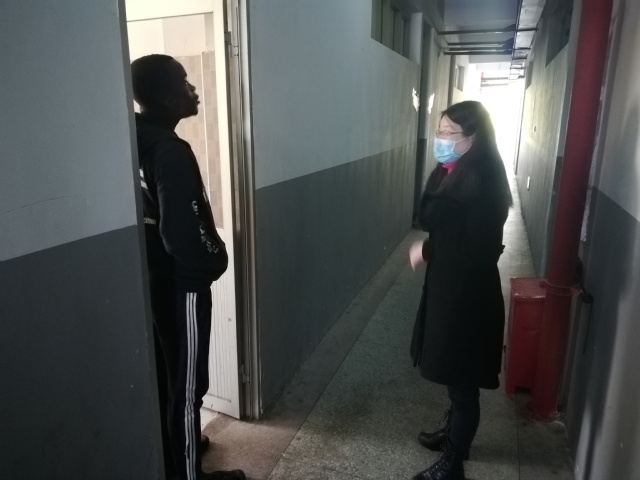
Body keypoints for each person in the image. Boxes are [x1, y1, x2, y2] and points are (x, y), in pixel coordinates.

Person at [131, 54, 245, 480]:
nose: (193, 90)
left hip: (153, 279)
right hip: (181, 287)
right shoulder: (169, 151)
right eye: (184, 82)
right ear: (164, 96)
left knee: (168, 379)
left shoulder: (135, 136)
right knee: (187, 390)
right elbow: (183, 234)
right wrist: (216, 258)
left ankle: (182, 454)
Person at [409, 101, 512, 480]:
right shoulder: (451, 171)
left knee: (463, 383)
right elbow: (444, 230)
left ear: (473, 138)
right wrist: (431, 248)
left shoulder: (485, 181)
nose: (441, 139)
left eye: (449, 133)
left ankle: (454, 462)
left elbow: (480, 252)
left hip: (468, 299)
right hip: (447, 289)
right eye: (439, 131)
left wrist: (432, 248)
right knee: (454, 374)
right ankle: (454, 434)